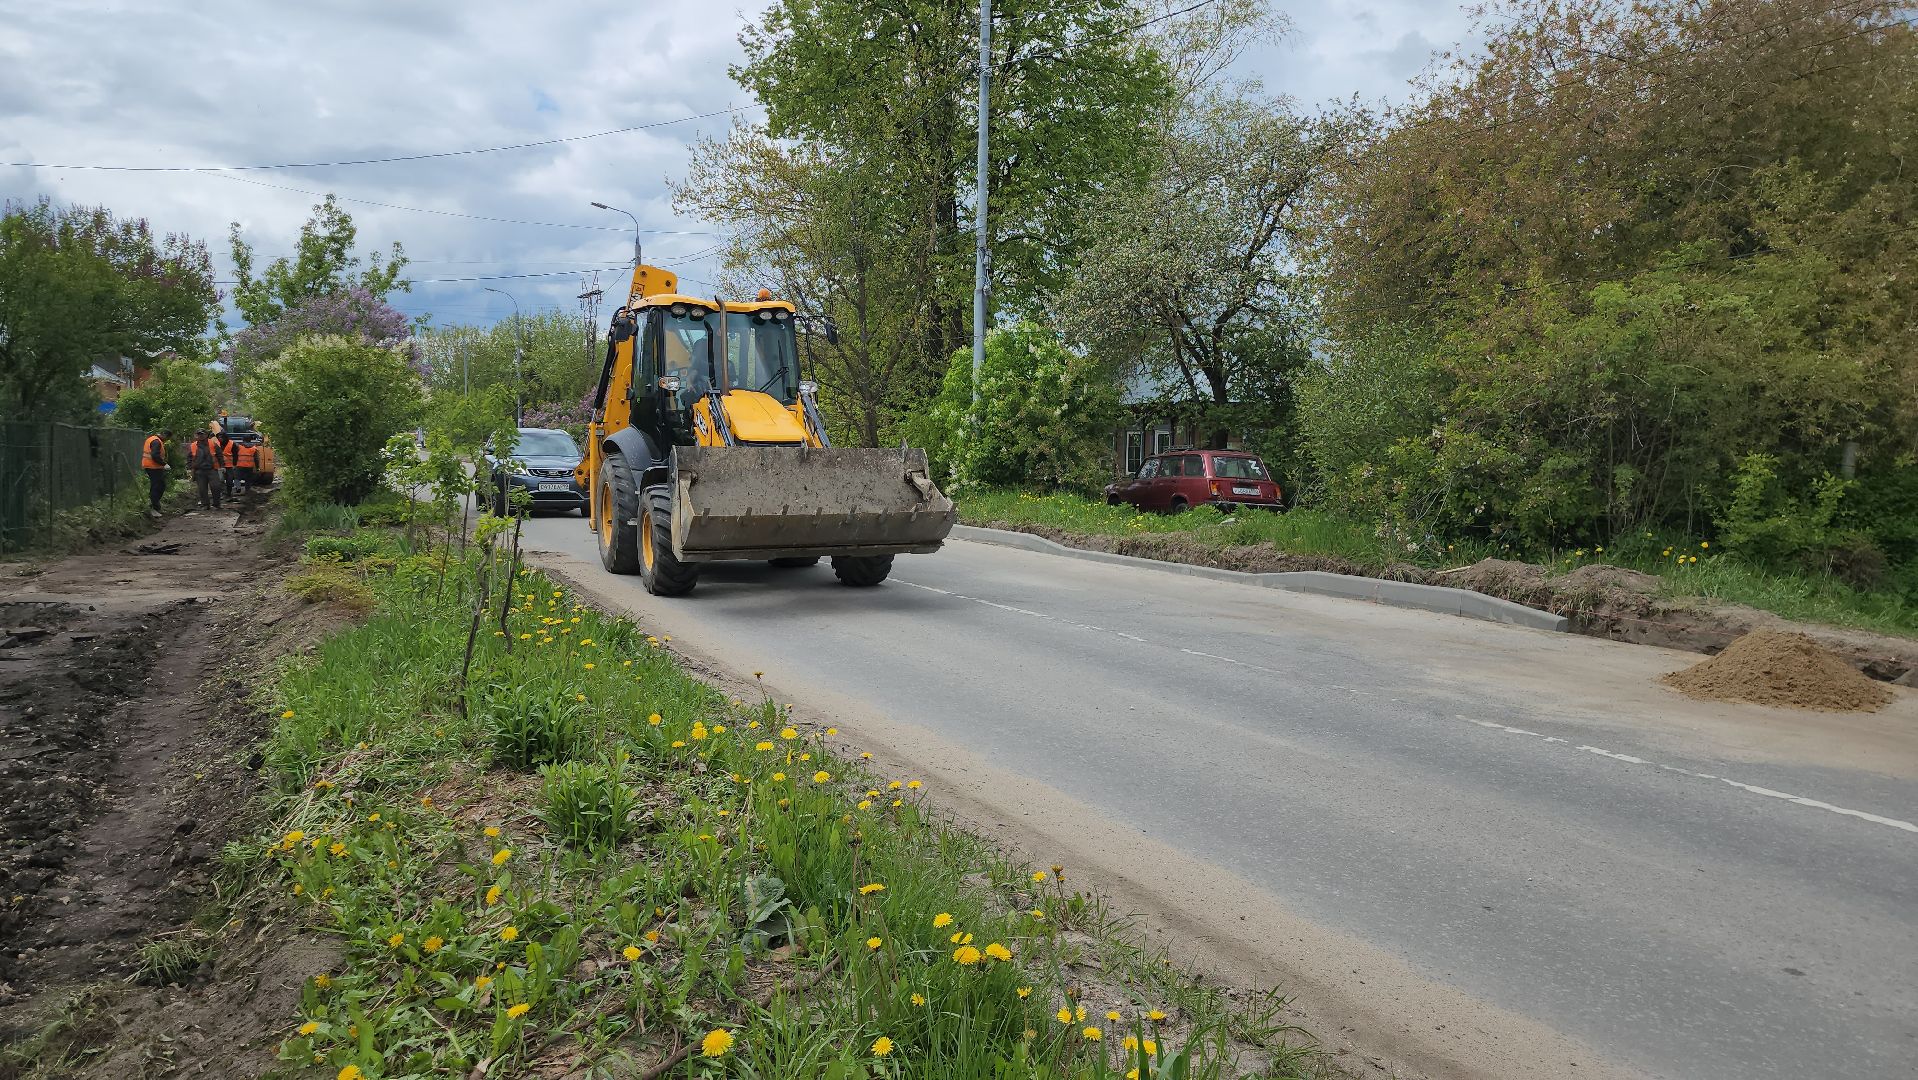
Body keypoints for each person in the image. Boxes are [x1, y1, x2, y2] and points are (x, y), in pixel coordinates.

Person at [186, 431, 223, 510]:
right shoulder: (193, 445)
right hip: (199, 470)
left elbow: (220, 455)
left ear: (206, 435)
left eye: (202, 434)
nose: (200, 436)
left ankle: (216, 504)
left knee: (216, 487)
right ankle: (205, 504)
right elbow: (189, 458)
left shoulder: (213, 443)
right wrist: (190, 467)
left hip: (212, 469)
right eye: (199, 434)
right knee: (202, 489)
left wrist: (222, 466)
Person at [141, 429, 173, 517]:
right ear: (165, 435)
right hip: (153, 467)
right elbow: (155, 455)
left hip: (152, 466)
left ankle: (155, 506)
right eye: (167, 438)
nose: (166, 440)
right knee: (157, 486)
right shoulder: (156, 442)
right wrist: (164, 464)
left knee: (159, 485)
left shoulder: (153, 439)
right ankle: (154, 507)